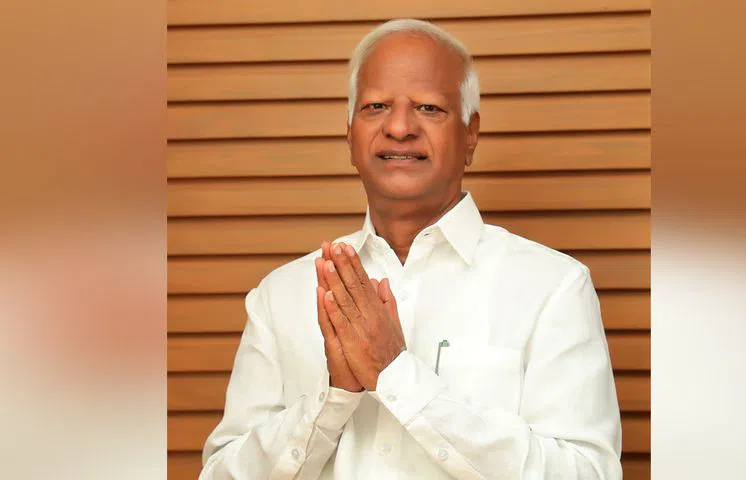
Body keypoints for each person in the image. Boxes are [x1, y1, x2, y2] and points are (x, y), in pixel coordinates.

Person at [200, 18, 622, 480]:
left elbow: (588, 473)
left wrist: (396, 374)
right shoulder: (280, 295)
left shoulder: (554, 288)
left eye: (428, 107)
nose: (399, 127)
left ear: (471, 134)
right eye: (376, 106)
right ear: (350, 135)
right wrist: (333, 397)